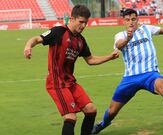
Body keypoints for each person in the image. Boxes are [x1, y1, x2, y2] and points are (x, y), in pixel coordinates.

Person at [92, 8, 163, 134]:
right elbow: (119, 45)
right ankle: (102, 124)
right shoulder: (120, 35)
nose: (131, 22)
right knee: (112, 110)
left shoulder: (147, 29)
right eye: (128, 20)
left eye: (133, 19)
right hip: (130, 78)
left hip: (150, 74)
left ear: (137, 20)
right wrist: (128, 39)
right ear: (123, 22)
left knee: (162, 86)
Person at [23, 4, 119, 135]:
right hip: (56, 83)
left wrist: (110, 57)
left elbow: (90, 60)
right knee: (70, 117)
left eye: (86, 23)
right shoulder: (59, 32)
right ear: (72, 19)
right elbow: (36, 39)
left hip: (70, 82)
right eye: (81, 22)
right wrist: (28, 47)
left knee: (91, 110)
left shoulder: (81, 40)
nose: (83, 26)